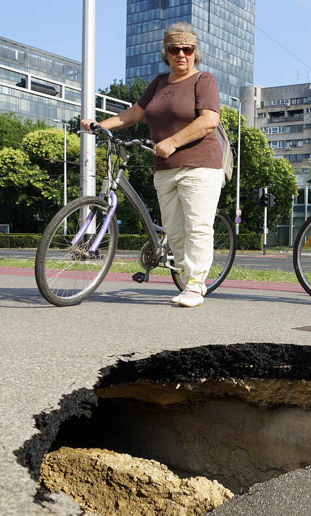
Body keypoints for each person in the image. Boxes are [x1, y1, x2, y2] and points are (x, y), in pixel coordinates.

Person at [80, 22, 223, 308]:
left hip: (200, 165)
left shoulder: (202, 80)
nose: (181, 54)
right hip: (164, 167)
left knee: (197, 226)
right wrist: (98, 125)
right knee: (174, 230)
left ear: (195, 52)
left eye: (187, 49)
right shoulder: (159, 82)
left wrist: (173, 142)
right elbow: (135, 113)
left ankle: (195, 285)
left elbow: (209, 120)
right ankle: (187, 275)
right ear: (166, 53)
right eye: (174, 49)